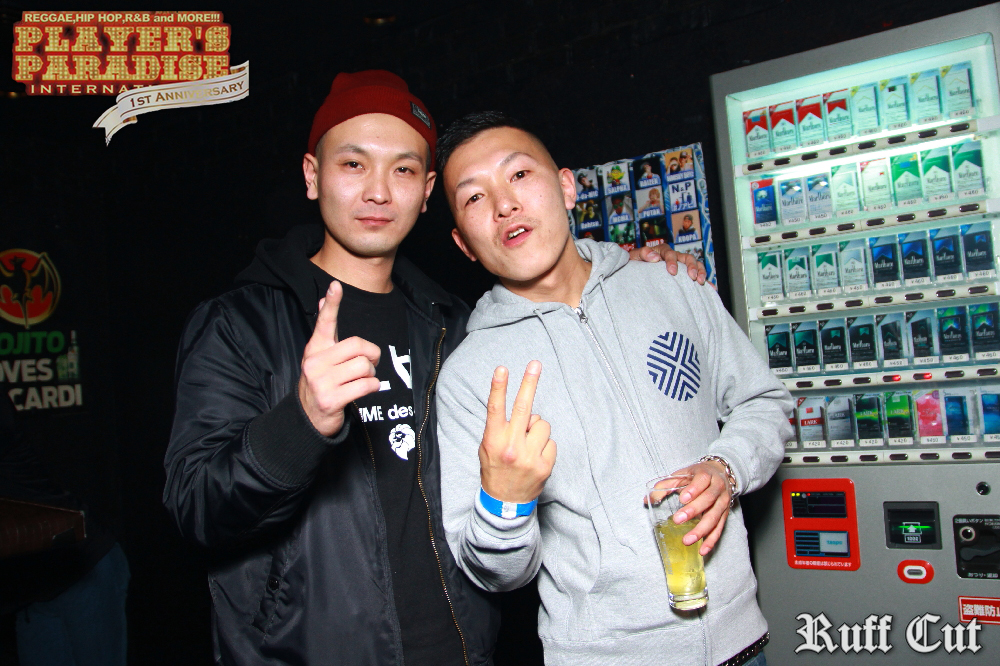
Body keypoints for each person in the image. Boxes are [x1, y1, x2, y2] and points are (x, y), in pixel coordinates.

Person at [163, 72, 707, 666]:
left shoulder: (458, 327)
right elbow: (197, 507)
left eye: (402, 170)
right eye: (353, 165)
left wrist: (631, 271)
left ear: (426, 192)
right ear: (313, 176)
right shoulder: (240, 324)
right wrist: (301, 422)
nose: (378, 192)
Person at [433, 111, 793, 666]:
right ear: (464, 244)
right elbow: (496, 573)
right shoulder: (468, 376)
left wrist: (727, 466)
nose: (504, 204)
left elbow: (764, 403)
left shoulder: (673, 284)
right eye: (475, 197)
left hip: (741, 644)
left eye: (519, 175)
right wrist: (504, 502)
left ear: (566, 187)